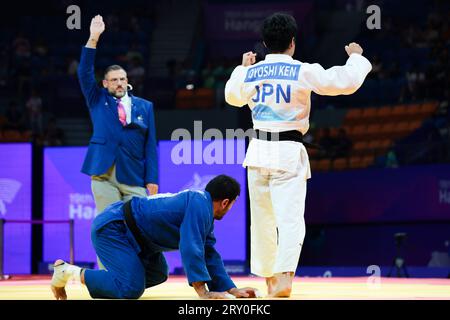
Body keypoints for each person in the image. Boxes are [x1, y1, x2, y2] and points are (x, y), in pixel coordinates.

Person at [225, 13, 372, 297]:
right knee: (289, 219)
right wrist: (355, 57)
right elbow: (344, 82)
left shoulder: (252, 72)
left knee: (262, 220)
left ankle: (269, 277)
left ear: (265, 43)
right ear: (292, 42)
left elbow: (233, 96)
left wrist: (242, 69)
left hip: (258, 153)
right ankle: (283, 277)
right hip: (287, 153)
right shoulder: (302, 70)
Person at [50, 175, 260, 300]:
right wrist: (203, 293)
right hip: (114, 228)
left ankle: (121, 281)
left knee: (159, 273)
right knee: (131, 288)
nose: (231, 208)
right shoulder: (198, 205)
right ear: (225, 202)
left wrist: (232, 290)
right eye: (232, 204)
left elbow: (209, 254)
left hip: (137, 238)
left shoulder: (201, 207)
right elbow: (191, 247)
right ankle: (68, 272)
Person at [77, 15, 158, 217]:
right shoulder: (97, 99)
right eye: (114, 80)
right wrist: (93, 38)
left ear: (127, 80)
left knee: (140, 225)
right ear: (105, 84)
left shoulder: (145, 107)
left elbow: (151, 146)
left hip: (133, 175)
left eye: (122, 79)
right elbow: (84, 72)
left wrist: (152, 178)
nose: (119, 83)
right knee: (110, 226)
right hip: (103, 175)